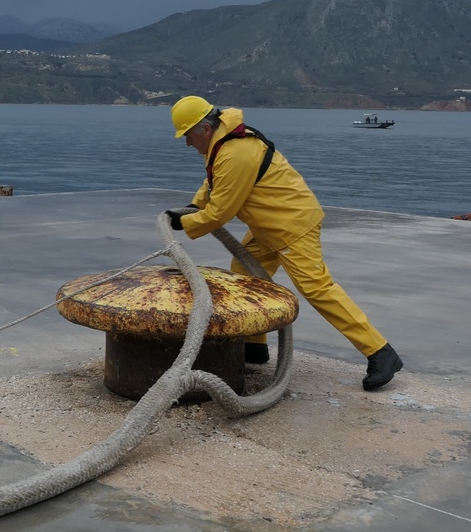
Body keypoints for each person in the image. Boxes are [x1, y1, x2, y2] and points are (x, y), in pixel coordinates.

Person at [165, 97, 403, 391]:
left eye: (187, 135)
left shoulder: (236, 152)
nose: (187, 143)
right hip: (268, 227)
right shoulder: (222, 141)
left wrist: (182, 223)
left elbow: (221, 212)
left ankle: (380, 352)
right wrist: (193, 204)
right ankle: (254, 346)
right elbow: (213, 181)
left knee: (318, 289)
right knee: (243, 270)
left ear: (203, 128)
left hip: (291, 225)